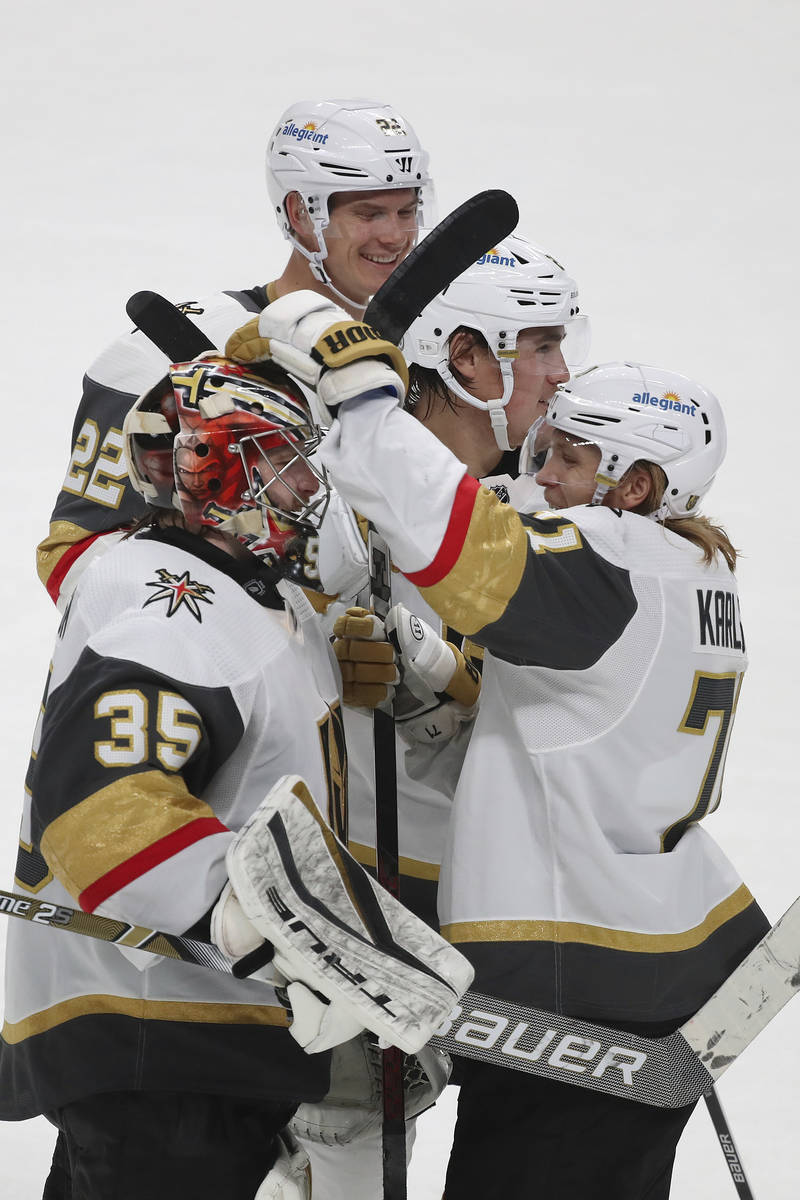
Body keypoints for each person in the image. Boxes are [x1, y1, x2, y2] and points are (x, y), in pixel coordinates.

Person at [244, 292, 769, 1199]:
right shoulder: (690, 569)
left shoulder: (610, 558)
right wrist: (439, 671)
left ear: (635, 484)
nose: (542, 472)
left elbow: (460, 540)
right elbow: (584, 718)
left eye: (572, 456)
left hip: (584, 980)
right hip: (656, 961)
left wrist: (369, 402)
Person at [0, 355, 470, 1200]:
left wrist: (341, 663)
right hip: (160, 1031)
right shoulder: (177, 611)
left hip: (173, 1036)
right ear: (222, 471)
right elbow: (101, 813)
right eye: (290, 464)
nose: (312, 489)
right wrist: (290, 941)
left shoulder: (233, 595)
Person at [36, 98, 433, 611]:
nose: (395, 236)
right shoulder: (158, 358)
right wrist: (289, 622)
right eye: (369, 213)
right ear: (301, 214)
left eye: (406, 211)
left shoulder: (435, 356)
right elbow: (73, 558)